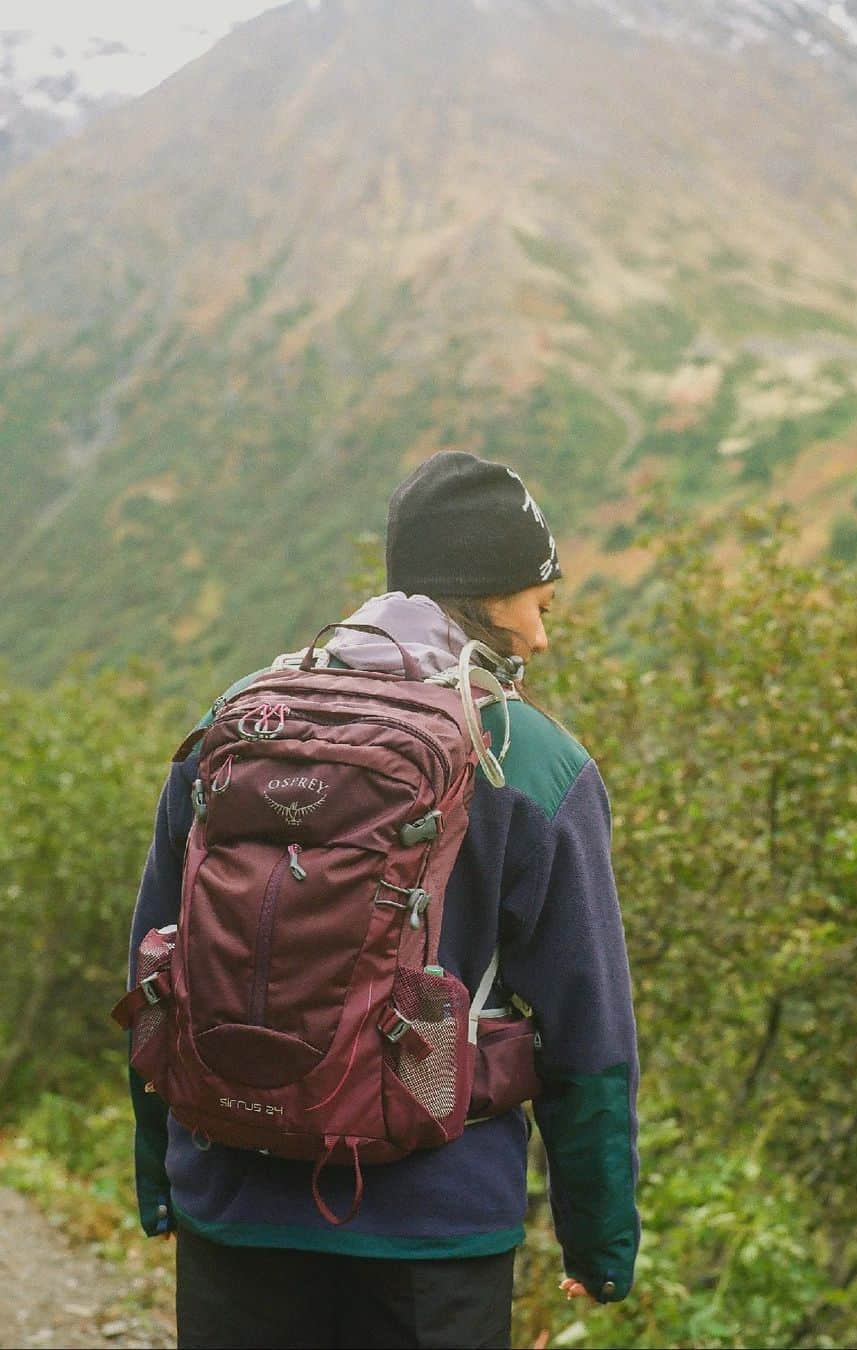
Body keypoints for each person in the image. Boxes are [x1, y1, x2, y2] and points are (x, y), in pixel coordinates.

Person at [127, 451, 640, 1349]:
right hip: (432, 1226)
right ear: (487, 595)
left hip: (232, 1198)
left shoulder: (238, 722)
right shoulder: (536, 762)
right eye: (540, 605)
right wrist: (599, 1241)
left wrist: (161, 1177)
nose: (543, 638)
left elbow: (158, 961)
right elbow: (589, 1034)